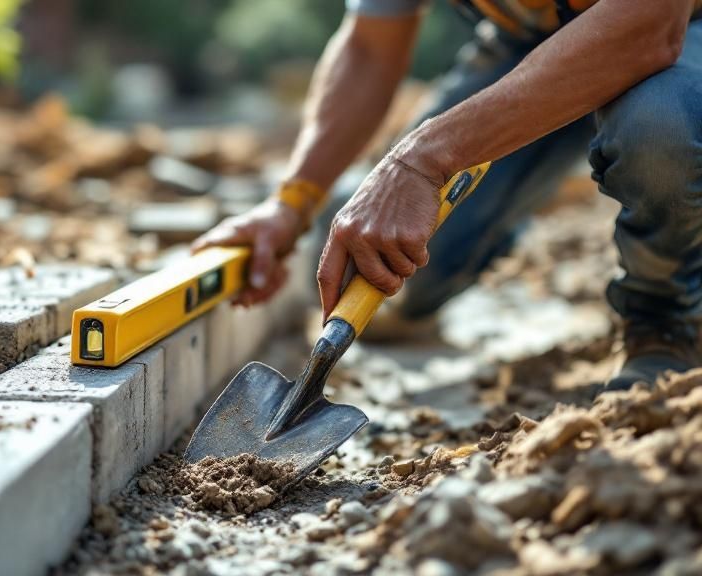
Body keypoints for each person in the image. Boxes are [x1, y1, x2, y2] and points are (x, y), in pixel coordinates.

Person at [193, 0, 702, 393]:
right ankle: (499, 213)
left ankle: (664, 318)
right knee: (378, 260)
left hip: (675, 29)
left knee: (661, 131)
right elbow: (371, 45)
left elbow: (647, 25)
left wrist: (423, 158)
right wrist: (294, 201)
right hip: (529, 41)